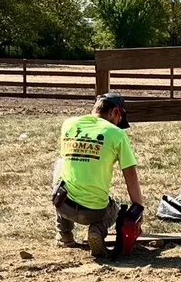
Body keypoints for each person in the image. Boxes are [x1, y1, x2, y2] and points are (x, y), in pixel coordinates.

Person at [52, 92, 144, 257]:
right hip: (95, 212)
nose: (118, 124)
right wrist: (138, 210)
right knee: (115, 209)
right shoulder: (117, 134)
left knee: (61, 167)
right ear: (115, 112)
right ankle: (97, 230)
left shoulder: (69, 124)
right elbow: (131, 177)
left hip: (63, 204)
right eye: (119, 120)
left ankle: (64, 234)